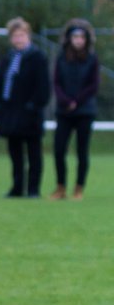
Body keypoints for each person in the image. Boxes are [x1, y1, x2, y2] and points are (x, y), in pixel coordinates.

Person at [0, 17, 50, 198]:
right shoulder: (8, 58)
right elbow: (0, 85)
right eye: (15, 36)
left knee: (33, 153)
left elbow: (43, 87)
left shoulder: (37, 58)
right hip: (10, 113)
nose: (18, 39)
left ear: (28, 36)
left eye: (22, 35)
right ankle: (17, 188)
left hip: (30, 113)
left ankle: (33, 189)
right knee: (15, 153)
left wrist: (33, 106)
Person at [50, 18, 100, 201]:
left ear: (86, 39)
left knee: (82, 151)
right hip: (64, 112)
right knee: (59, 150)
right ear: (69, 38)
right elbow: (56, 82)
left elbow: (93, 85)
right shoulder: (61, 58)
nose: (78, 40)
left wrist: (77, 101)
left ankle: (79, 188)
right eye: (75, 36)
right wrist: (65, 101)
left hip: (84, 112)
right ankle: (60, 187)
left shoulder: (92, 59)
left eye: (81, 37)